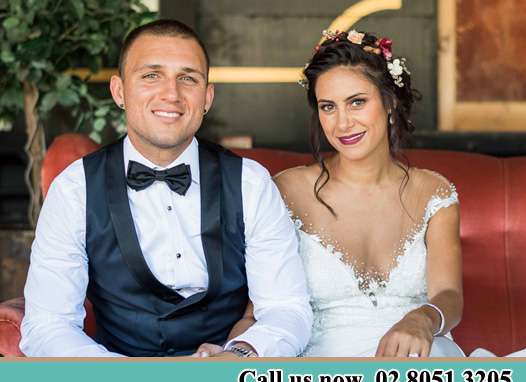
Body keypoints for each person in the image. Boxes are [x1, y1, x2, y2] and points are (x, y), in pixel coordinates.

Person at [20, 19, 312, 357]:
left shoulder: (251, 183)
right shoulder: (74, 189)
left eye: (187, 78)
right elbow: (48, 324)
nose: (171, 94)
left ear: (207, 96)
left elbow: (287, 307)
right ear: (119, 91)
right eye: (151, 76)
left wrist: (242, 354)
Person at [274, 30, 464, 357]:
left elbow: (449, 293)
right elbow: (260, 308)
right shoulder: (286, 191)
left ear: (389, 102)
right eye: (328, 107)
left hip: (419, 359)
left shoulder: (434, 192)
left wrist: (424, 318)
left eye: (357, 102)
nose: (343, 123)